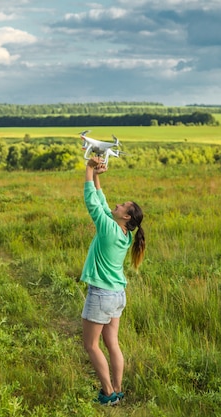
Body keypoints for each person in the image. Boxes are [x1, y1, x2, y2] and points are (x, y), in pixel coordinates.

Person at [80, 156, 146, 406]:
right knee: (112, 343)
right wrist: (97, 175)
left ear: (126, 217)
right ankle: (117, 389)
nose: (117, 205)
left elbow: (92, 202)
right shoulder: (127, 234)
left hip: (102, 295)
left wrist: (88, 169)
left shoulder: (108, 227)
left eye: (122, 206)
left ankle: (108, 394)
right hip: (117, 294)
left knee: (91, 345)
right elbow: (103, 203)